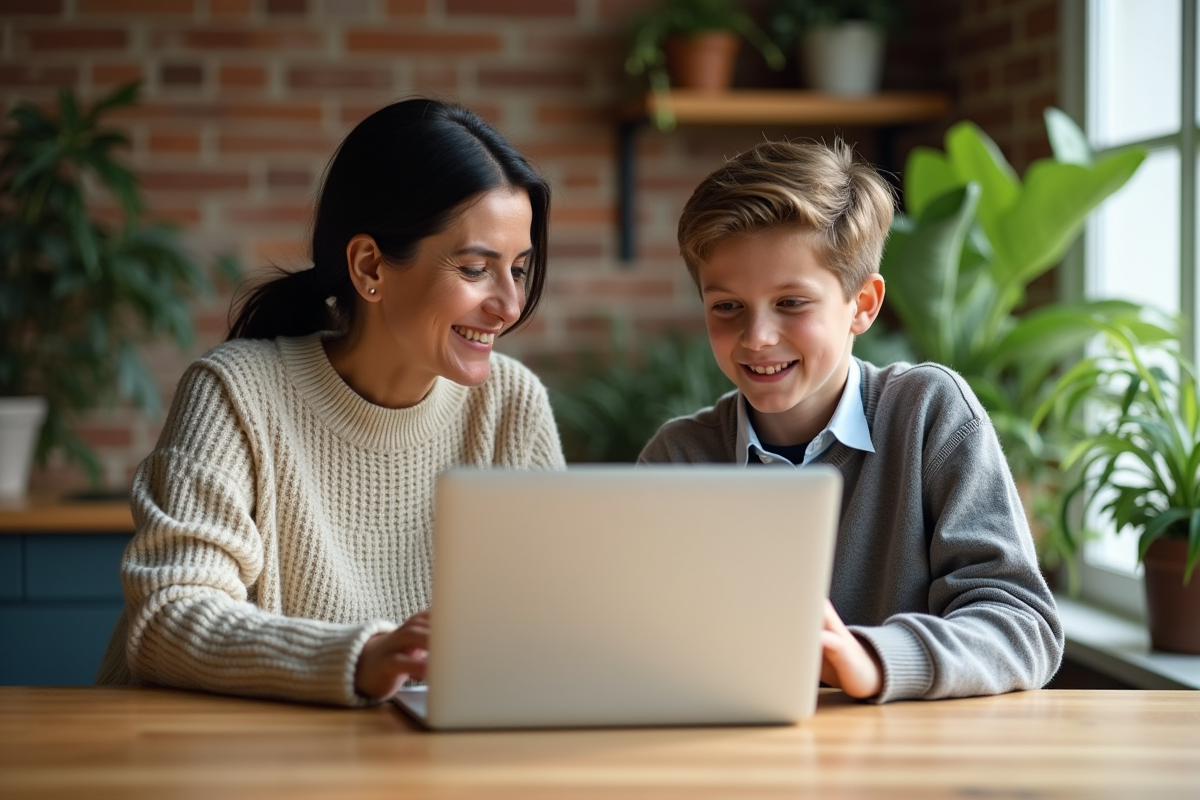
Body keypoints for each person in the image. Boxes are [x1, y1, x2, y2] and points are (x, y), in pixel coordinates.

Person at [96, 98, 565, 706]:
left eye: (520, 270)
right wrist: (360, 658)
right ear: (370, 266)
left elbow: (552, 624)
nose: (509, 305)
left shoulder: (512, 406)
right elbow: (169, 616)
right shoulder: (235, 392)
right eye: (477, 269)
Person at [638, 140, 1063, 703]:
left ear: (863, 304)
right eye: (726, 306)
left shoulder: (929, 415)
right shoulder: (678, 458)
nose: (757, 336)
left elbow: (1022, 624)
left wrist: (877, 659)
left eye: (791, 303)